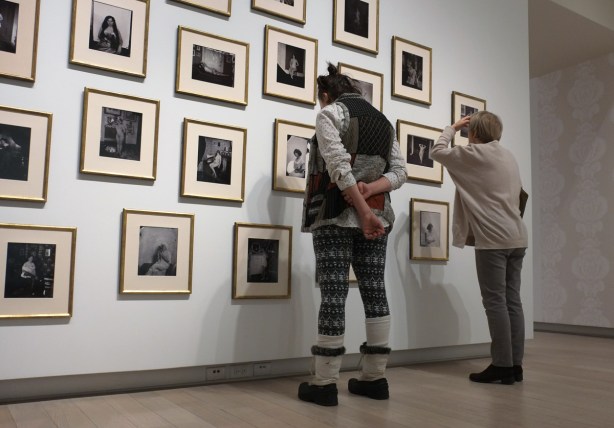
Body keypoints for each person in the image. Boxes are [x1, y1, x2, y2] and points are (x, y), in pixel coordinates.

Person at [298, 63, 406, 406]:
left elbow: (338, 166)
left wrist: (359, 209)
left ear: (326, 95)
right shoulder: (383, 121)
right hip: (378, 215)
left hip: (334, 216)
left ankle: (325, 382)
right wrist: (371, 194)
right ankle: (375, 378)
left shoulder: (331, 114)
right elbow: (400, 173)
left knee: (333, 294)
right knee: (375, 290)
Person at [430, 111, 528, 385]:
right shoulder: (508, 155)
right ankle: (515, 366)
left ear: (473, 133)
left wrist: (452, 127)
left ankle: (501, 365)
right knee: (512, 301)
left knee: (495, 302)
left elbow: (437, 151)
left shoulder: (473, 155)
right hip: (518, 236)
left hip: (494, 240)